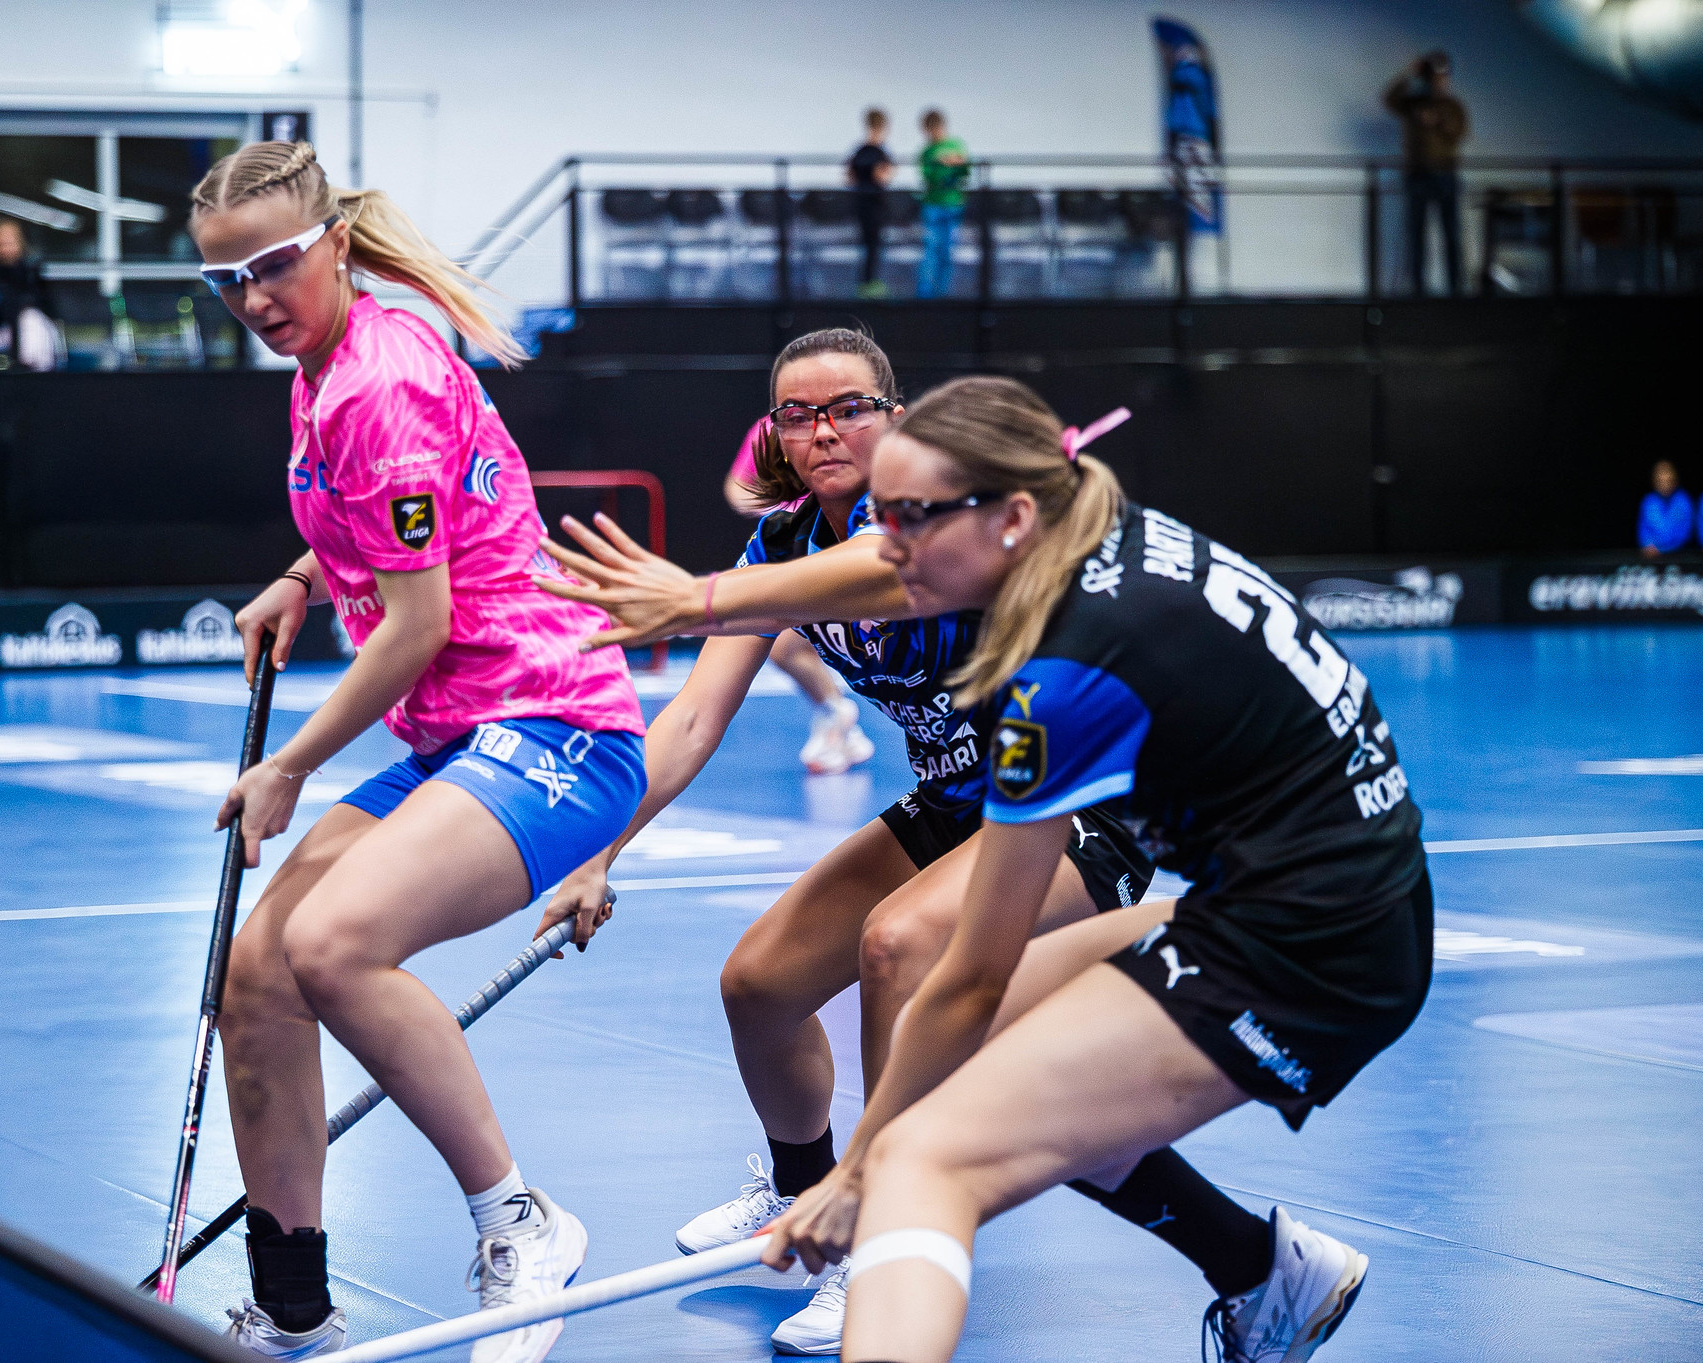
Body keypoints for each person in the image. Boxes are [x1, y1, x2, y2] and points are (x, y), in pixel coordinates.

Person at [535, 339, 1281, 1359]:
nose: (823, 430)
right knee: (757, 982)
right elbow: (695, 716)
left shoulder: (932, 528)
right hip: (954, 802)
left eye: (847, 407)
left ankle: (880, 1233)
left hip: (1077, 810)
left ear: (895, 416)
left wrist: (697, 596)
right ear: (774, 436)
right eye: (797, 415)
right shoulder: (782, 546)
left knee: (901, 945)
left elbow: (883, 574)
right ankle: (802, 1193)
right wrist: (601, 851)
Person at [728, 376, 1428, 1363]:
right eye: (882, 518)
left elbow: (969, 975)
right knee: (977, 1069)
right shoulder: (1106, 539)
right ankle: (1260, 1269)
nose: (886, 551)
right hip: (1294, 894)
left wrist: (860, 1177)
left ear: (1012, 516)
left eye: (913, 521)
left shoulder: (1061, 674)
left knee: (923, 1159)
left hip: (1316, 944)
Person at [189, 140, 648, 1363]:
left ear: (333, 242)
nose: (252, 299)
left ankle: (521, 1223)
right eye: (226, 280)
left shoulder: (370, 379)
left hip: (555, 725)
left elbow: (416, 624)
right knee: (257, 973)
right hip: (460, 735)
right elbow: (402, 520)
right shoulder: (331, 360)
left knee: (333, 944)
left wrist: (288, 765)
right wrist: (302, 576)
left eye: (273, 266)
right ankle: (292, 1302)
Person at [724, 416, 876, 774]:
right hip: (798, 564)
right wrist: (780, 508)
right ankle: (836, 714)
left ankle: (837, 715)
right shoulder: (776, 538)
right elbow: (737, 489)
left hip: (846, 566)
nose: (822, 437)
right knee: (785, 648)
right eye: (797, 419)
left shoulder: (888, 535)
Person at [1384, 52, 1469, 296]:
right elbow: (1389, 100)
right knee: (1416, 235)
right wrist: (1409, 74)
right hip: (1418, 175)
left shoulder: (1453, 106)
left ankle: (1456, 289)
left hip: (1445, 174)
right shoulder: (1414, 103)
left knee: (1451, 234)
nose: (1439, 82)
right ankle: (1418, 289)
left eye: (1443, 77)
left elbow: (1458, 132)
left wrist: (1438, 120)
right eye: (1434, 77)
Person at [0, 219, 61, 370]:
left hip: (31, 328)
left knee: (30, 320)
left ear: (19, 243)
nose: (5, 249)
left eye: (9, 243)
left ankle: (29, 372)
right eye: (1, 244)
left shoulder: (31, 272)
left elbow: (46, 305)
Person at [915, 110, 969, 300]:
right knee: (931, 249)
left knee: (947, 251)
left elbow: (965, 171)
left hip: (953, 204)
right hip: (933, 205)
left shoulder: (956, 145)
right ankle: (925, 294)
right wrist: (944, 164)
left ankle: (942, 293)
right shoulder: (927, 152)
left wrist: (954, 164)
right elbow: (929, 177)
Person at [847, 109, 894, 300]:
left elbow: (850, 177)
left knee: (869, 244)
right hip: (873, 203)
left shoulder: (860, 151)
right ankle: (869, 283)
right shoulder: (879, 152)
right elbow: (883, 177)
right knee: (873, 244)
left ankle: (866, 282)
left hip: (863, 201)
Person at [1639, 459, 1694, 558]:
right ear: (1654, 481)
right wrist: (1647, 544)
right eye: (1660, 481)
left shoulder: (1684, 501)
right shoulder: (1648, 501)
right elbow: (1643, 530)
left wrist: (1662, 549)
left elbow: (1685, 534)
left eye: (1668, 480)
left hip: (1679, 556)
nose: (1665, 485)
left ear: (1675, 480)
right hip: (1652, 556)